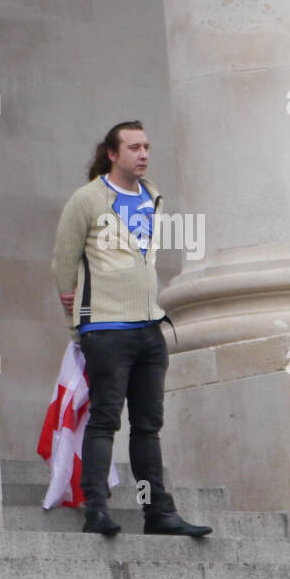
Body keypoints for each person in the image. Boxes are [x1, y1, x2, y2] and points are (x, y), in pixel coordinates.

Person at [51, 121, 211, 537]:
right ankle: (96, 511)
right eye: (134, 147)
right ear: (113, 153)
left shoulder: (152, 197)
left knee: (147, 426)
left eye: (147, 147)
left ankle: (156, 512)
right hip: (105, 329)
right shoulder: (87, 200)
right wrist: (76, 320)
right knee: (105, 420)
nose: (143, 154)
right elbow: (63, 263)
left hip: (149, 329)